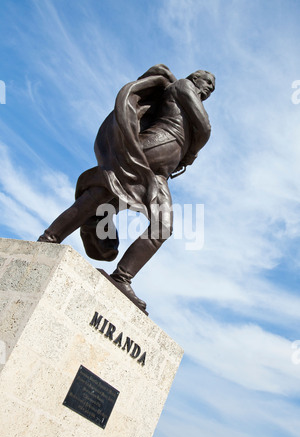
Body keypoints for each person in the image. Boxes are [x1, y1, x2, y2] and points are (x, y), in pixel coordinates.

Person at [38, 64, 215, 312]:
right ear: (196, 78)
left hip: (160, 172)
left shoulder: (187, 93)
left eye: (212, 88)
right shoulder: (184, 86)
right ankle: (50, 238)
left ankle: (121, 278)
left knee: (162, 226)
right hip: (151, 148)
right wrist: (192, 154)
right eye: (207, 83)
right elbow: (205, 127)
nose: (209, 89)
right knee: (105, 190)